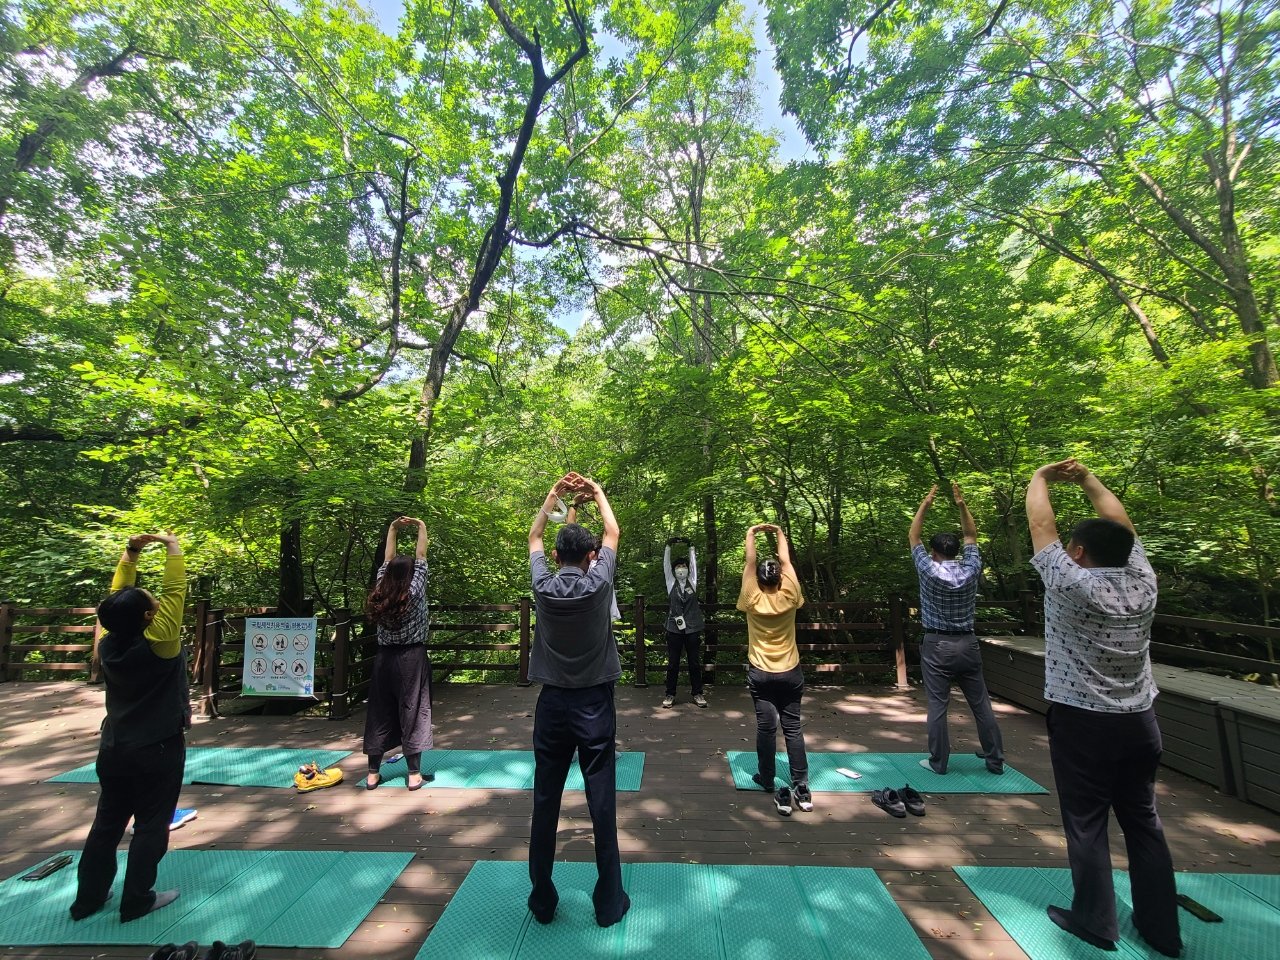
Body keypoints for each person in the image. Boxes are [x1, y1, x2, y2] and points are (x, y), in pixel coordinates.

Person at [1026, 458, 1181, 957]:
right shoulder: (1144, 581)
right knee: (1143, 820)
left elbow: (1039, 524)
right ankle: (1162, 929)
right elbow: (1121, 528)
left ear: (1078, 551)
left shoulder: (1070, 584)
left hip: (1082, 721)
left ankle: (1095, 921)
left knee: (1087, 821)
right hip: (1140, 720)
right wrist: (1091, 479)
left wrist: (1041, 478)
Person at [527, 472, 630, 929]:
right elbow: (613, 531)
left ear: (555, 555)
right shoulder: (598, 584)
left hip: (551, 707)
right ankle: (608, 902)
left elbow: (533, 534)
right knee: (602, 801)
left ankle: (543, 899)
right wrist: (597, 491)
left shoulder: (544, 588)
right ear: (590, 557)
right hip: (593, 704)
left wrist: (555, 495)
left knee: (546, 799)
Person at [70, 532, 187, 922]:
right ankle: (137, 899)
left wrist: (132, 553)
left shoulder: (108, 643)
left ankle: (87, 899)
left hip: (114, 746)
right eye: (152, 603)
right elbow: (175, 590)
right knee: (152, 825)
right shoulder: (161, 641)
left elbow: (116, 600)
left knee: (106, 823)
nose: (158, 600)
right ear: (150, 616)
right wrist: (171, 546)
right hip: (158, 746)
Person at [909, 482, 1004, 775]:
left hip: (937, 645)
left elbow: (913, 535)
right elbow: (971, 536)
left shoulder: (928, 568)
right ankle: (995, 760)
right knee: (981, 704)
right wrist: (962, 505)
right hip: (968, 643)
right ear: (953, 550)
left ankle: (939, 763)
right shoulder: (970, 568)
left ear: (934, 551)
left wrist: (926, 503)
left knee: (938, 705)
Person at [737, 523, 810, 817]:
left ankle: (766, 779)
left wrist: (751, 533)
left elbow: (749, 562)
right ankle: (801, 784)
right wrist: (779, 532)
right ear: (780, 578)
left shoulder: (752, 597)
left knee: (766, 727)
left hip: (761, 672)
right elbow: (787, 562)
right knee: (792, 727)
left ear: (758, 579)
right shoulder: (791, 594)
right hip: (790, 671)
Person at [363, 516, 433, 790]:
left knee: (379, 712)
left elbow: (386, 560)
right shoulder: (414, 590)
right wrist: (421, 527)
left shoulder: (381, 591)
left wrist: (392, 528)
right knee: (413, 711)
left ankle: (372, 773)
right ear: (411, 573)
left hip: (383, 659)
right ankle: (414, 774)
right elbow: (422, 555)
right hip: (411, 659)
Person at [661, 536, 706, 709]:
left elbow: (695, 566)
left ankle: (698, 693)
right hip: (674, 628)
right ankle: (670, 694)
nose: (682, 569)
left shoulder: (692, 583)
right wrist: (668, 546)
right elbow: (665, 566)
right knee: (673, 663)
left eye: (684, 566)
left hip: (693, 628)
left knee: (694, 662)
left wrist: (691, 546)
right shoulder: (670, 583)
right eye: (679, 566)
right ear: (674, 570)